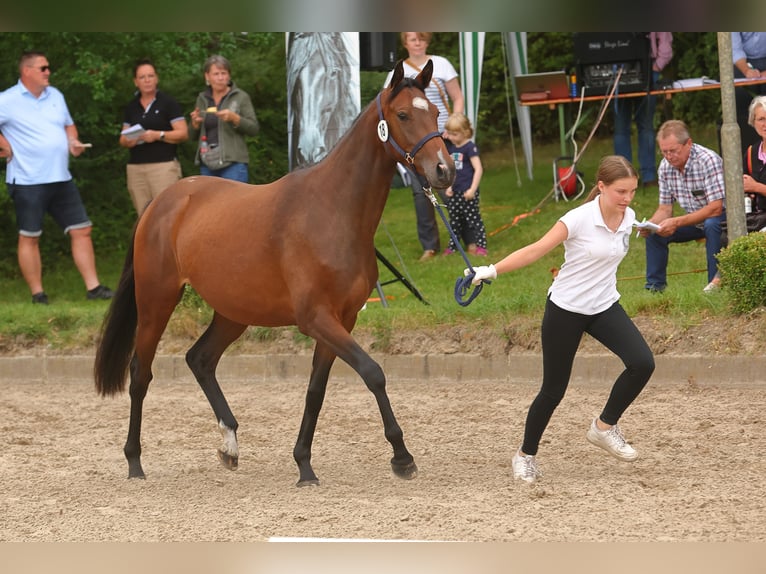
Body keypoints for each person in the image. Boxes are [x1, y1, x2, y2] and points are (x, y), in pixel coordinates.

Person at [466, 155, 655, 483]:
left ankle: (603, 428)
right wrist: (490, 270)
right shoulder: (578, 218)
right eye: (620, 191)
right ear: (601, 187)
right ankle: (525, 455)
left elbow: (619, 241)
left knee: (642, 362)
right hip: (566, 309)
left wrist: (651, 228)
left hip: (604, 306)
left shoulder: (629, 217)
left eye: (632, 191)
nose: (627, 199)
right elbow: (535, 250)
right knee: (553, 390)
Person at [0, 51, 113, 304]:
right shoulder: (7, 100)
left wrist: (73, 141)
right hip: (28, 180)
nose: (48, 72)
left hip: (61, 178)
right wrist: (3, 144)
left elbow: (68, 124)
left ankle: (94, 288)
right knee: (30, 236)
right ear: (27, 71)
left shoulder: (56, 96)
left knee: (82, 230)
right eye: (43, 68)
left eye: (47, 67)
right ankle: (38, 294)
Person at [385, 32, 465, 261]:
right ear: (405, 43)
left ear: (427, 41)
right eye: (412, 39)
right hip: (415, 142)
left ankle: (465, 239)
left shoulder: (441, 65)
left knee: (452, 189)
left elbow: (457, 97)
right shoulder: (397, 73)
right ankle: (429, 247)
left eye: (421, 38)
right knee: (421, 193)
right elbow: (388, 102)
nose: (417, 43)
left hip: (443, 135)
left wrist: (453, 123)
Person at [640, 120, 726, 293]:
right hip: (694, 220)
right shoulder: (665, 167)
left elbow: (716, 208)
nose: (669, 156)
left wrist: (677, 222)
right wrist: (650, 224)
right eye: (664, 152)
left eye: (673, 151)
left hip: (723, 218)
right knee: (655, 233)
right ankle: (654, 289)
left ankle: (714, 287)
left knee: (712, 225)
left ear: (688, 143)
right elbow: (665, 208)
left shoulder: (708, 160)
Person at [119, 58, 188, 215]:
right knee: (144, 217)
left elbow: (183, 133)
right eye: (142, 77)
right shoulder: (131, 106)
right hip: (136, 168)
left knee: (167, 214)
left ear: (156, 78)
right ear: (136, 82)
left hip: (162, 166)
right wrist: (130, 140)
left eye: (150, 76)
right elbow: (122, 138)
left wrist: (158, 135)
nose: (147, 80)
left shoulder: (168, 103)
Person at [613, 32, 673, 188]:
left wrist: (656, 66)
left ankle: (649, 176)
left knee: (646, 126)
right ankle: (623, 176)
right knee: (621, 128)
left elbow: (665, 41)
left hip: (648, 70)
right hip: (617, 70)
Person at [189, 55, 259, 183]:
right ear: (207, 76)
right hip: (207, 163)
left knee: (235, 203)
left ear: (229, 76)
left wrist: (235, 118)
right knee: (209, 203)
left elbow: (254, 129)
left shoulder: (240, 97)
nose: (220, 78)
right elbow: (192, 136)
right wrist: (194, 124)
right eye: (216, 74)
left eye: (224, 73)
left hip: (233, 164)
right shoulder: (202, 99)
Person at [442, 112, 487, 256]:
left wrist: (473, 189)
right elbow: (451, 168)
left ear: (465, 132)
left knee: (473, 220)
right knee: (454, 221)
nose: (451, 137)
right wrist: (448, 187)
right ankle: (453, 246)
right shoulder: (451, 148)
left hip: (468, 192)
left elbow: (478, 169)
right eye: (449, 133)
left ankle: (481, 246)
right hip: (454, 191)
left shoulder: (470, 147)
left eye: (454, 134)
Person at [731, 33, 766, 156]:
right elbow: (735, 49)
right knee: (738, 95)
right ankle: (746, 151)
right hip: (743, 63)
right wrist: (746, 70)